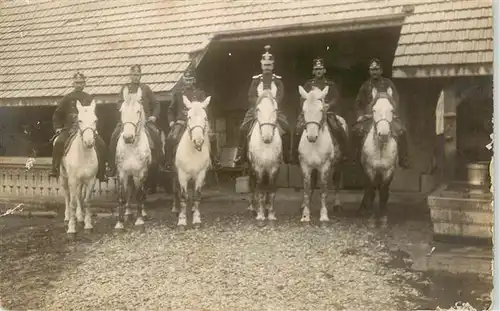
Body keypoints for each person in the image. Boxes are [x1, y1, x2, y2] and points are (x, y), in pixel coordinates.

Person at [233, 45, 291, 165]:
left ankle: (286, 155)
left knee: (287, 128)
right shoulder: (256, 80)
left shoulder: (277, 80)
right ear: (261, 65)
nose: (267, 68)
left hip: (274, 110)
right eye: (265, 65)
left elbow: (280, 95)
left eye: (269, 65)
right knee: (243, 128)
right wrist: (259, 103)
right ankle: (240, 155)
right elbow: (251, 96)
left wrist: (273, 103)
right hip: (257, 109)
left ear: (273, 66)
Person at [107, 64, 163, 177]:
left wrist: (154, 116)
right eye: (133, 75)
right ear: (130, 76)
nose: (135, 77)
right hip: (127, 121)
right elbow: (118, 103)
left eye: (138, 75)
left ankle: (159, 162)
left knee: (156, 135)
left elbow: (156, 104)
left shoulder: (145, 88)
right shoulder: (125, 89)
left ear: (140, 75)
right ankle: (112, 165)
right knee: (114, 136)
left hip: (144, 121)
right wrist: (123, 110)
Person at [50, 72, 107, 182]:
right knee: (58, 143)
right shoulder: (67, 98)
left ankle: (101, 172)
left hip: (87, 130)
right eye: (76, 83)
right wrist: (57, 127)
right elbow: (57, 115)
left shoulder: (89, 98)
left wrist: (96, 130)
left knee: (102, 145)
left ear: (84, 84)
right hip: (69, 129)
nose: (78, 85)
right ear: (73, 83)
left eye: (81, 83)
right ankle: (55, 168)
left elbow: (98, 116)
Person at [353, 58, 410, 168]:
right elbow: (358, 103)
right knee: (356, 131)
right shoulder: (365, 86)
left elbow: (396, 100)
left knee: (402, 131)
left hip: (387, 117)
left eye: (377, 69)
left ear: (381, 71)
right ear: (369, 71)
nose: (374, 72)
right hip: (369, 117)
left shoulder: (388, 84)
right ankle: (355, 160)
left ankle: (403, 159)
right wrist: (360, 116)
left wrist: (393, 113)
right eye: (372, 70)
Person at [291, 57, 350, 164]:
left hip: (326, 112)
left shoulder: (330, 84)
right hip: (311, 113)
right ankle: (294, 154)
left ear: (324, 70)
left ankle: (344, 153)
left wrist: (329, 105)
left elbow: (336, 98)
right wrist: (306, 108)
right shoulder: (309, 84)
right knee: (298, 128)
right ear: (313, 71)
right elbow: (302, 99)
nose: (318, 71)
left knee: (338, 128)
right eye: (316, 69)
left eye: (321, 69)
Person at [165, 64, 221, 171]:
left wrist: (204, 121)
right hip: (181, 122)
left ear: (194, 80)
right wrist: (172, 121)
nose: (188, 82)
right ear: (183, 80)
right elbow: (171, 109)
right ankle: (168, 162)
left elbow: (205, 108)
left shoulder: (200, 93)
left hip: (197, 123)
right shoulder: (178, 94)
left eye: (190, 80)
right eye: (186, 79)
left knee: (211, 137)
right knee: (170, 139)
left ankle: (215, 160)